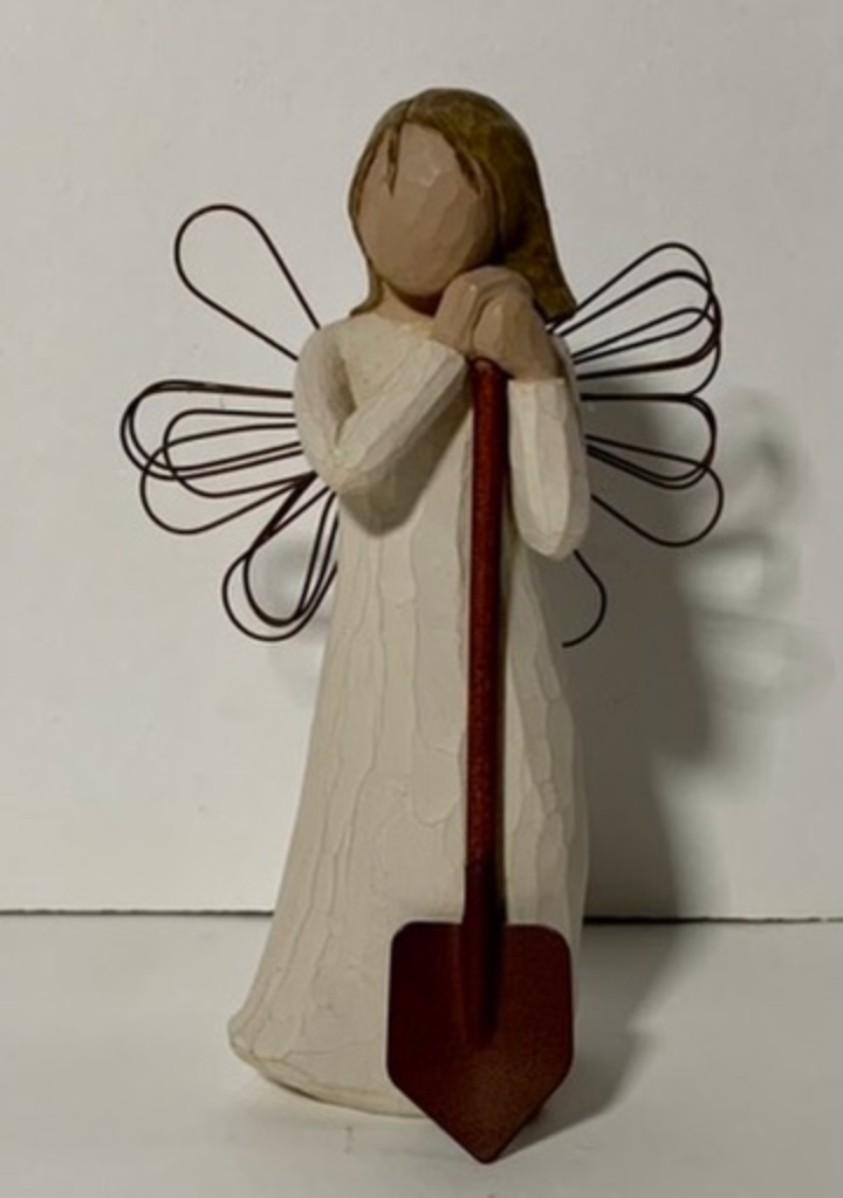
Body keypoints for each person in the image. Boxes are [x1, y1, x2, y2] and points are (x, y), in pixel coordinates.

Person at [228, 87, 591, 1115]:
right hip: (385, 667)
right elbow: (354, 467)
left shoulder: (525, 354)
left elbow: (556, 524)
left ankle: (489, 1029)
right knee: (377, 839)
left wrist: (533, 374)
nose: (413, 211)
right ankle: (339, 1035)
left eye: (450, 191)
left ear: (504, 216)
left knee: (524, 838)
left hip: (505, 666)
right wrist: (444, 356)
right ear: (357, 199)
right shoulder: (336, 354)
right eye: (392, 180)